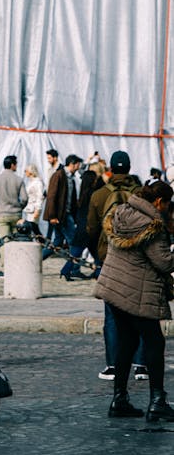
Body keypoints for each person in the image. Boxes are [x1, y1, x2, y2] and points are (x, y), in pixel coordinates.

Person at [94, 181, 174, 420]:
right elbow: (164, 262)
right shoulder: (152, 226)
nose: (167, 208)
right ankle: (157, 401)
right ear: (159, 202)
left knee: (127, 342)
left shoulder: (122, 212)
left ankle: (119, 399)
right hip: (137, 293)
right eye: (167, 204)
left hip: (114, 289)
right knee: (154, 343)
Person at [87, 150, 146, 381]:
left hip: (109, 258)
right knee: (140, 313)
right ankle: (141, 365)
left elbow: (90, 230)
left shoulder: (99, 195)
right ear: (129, 168)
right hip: (137, 259)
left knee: (111, 317)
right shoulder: (141, 194)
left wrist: (98, 255)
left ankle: (112, 366)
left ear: (111, 169)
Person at [0, 155, 28, 277]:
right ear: (12, 165)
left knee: (4, 243)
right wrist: (20, 206)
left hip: (2, 213)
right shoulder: (19, 179)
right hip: (16, 214)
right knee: (16, 243)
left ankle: (5, 269)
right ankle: (17, 266)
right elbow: (25, 198)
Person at [42, 153, 82, 262]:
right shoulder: (58, 175)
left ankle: (35, 260)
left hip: (65, 214)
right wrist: (52, 216)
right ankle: (73, 269)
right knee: (73, 240)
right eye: (78, 164)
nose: (79, 167)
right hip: (61, 215)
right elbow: (52, 196)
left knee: (57, 243)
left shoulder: (71, 178)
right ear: (73, 164)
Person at [22, 164, 44, 236]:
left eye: (26, 171)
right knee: (32, 228)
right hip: (29, 208)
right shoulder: (31, 182)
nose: (25, 172)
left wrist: (38, 209)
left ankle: (43, 243)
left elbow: (40, 196)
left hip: (34, 209)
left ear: (30, 172)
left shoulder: (38, 182)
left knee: (34, 227)